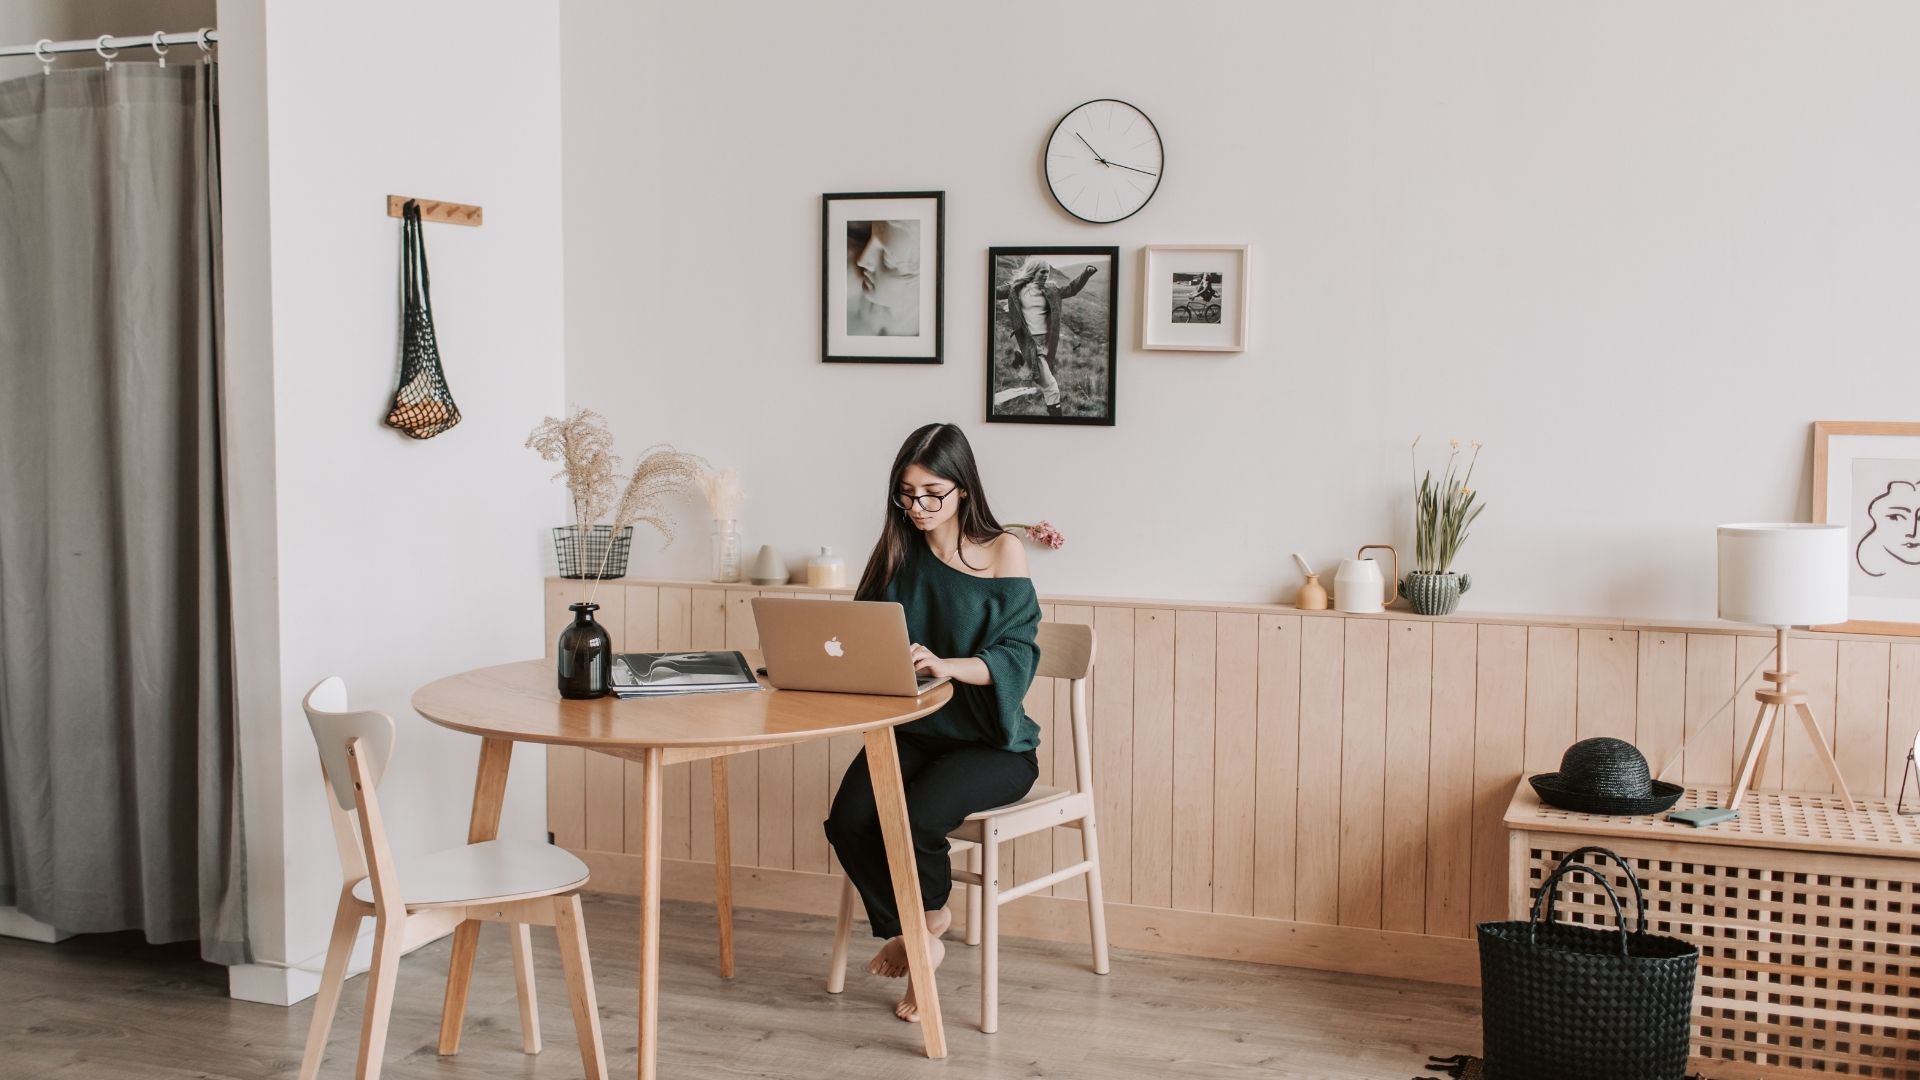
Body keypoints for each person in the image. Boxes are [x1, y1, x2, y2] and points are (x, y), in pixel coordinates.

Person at [823, 422, 1041, 1023]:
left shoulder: (1001, 551)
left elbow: (1020, 653)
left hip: (993, 745)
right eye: (906, 493)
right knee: (848, 822)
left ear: (963, 489)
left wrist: (946, 665)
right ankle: (922, 928)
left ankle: (924, 932)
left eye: (931, 493)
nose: (917, 507)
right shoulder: (898, 549)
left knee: (915, 818)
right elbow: (859, 633)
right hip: (913, 731)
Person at [996, 255, 1099, 416]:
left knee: (1042, 375)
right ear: (1034, 271)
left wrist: (1086, 274)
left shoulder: (1052, 289)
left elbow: (1071, 289)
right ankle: (1056, 416)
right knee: (1050, 384)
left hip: (1047, 342)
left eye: (1048, 272)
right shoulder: (1015, 289)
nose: (1046, 275)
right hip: (1029, 340)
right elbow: (991, 292)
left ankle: (1020, 360)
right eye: (1043, 272)